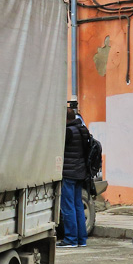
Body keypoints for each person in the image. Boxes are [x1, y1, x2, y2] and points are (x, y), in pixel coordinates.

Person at [59, 105, 91, 248]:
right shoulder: (82, 129)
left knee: (68, 207)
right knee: (78, 205)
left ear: (65, 119)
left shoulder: (68, 132)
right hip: (80, 172)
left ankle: (71, 239)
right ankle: (81, 239)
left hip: (69, 172)